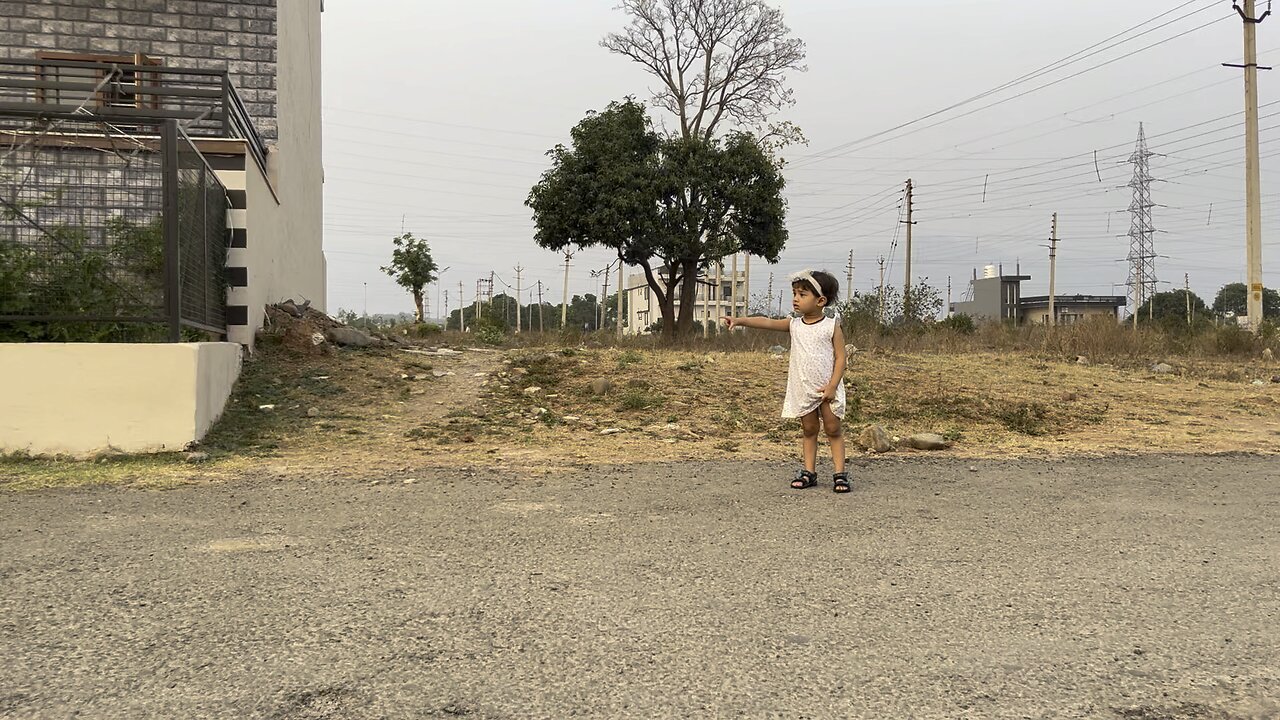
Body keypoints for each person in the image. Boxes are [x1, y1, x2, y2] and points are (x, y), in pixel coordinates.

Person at [722, 270, 850, 493]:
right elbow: (767, 322)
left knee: (832, 429)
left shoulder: (831, 326)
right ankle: (809, 471)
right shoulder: (794, 324)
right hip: (803, 388)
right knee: (809, 429)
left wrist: (832, 385)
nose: (795, 299)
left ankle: (840, 474)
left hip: (827, 388)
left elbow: (841, 357)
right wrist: (740, 320)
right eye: (794, 293)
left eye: (802, 294)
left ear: (821, 301)